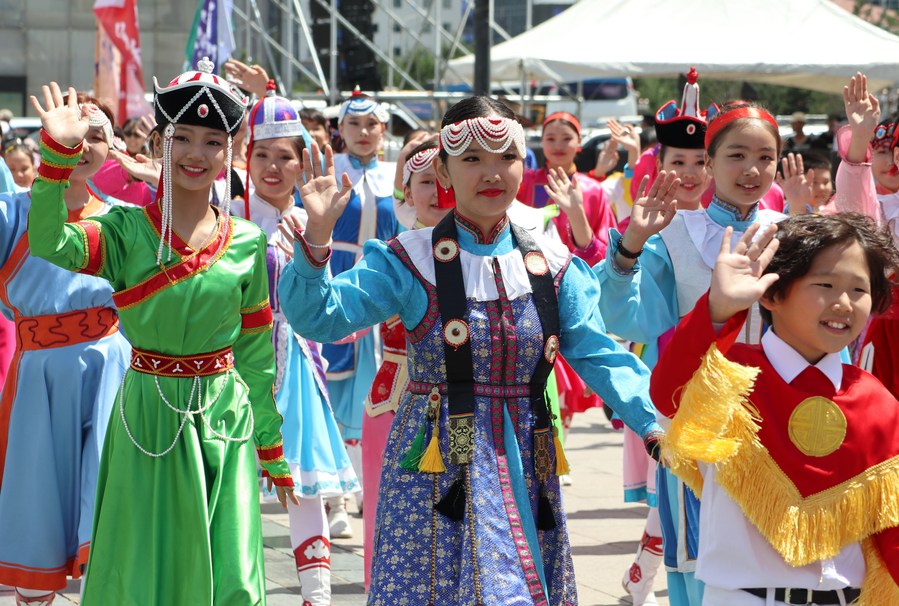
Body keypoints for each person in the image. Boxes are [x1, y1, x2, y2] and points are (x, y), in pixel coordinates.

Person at [276, 95, 664, 605]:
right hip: (435, 467)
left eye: (505, 157)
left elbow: (596, 352)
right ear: (443, 168)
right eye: (472, 158)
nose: (491, 173)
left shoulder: (549, 261)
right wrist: (318, 241)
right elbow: (321, 317)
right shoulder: (408, 259)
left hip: (526, 457)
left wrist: (654, 421)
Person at [27, 61, 297, 605]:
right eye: (184, 139)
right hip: (146, 411)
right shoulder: (125, 229)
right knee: (139, 562)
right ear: (159, 144)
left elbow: (254, 354)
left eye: (213, 142)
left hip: (225, 413)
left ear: (229, 154)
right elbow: (50, 242)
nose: (197, 154)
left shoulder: (246, 241)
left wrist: (269, 440)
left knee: (234, 570)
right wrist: (57, 159)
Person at [595, 98, 786, 606]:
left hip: (779, 412)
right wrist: (633, 241)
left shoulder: (792, 234)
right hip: (699, 413)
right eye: (736, 155)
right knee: (702, 560)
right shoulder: (675, 234)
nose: (751, 169)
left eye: (765, 157)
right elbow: (625, 317)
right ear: (710, 159)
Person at [652, 214, 899, 605]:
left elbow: (892, 532)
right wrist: (718, 308)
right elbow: (669, 393)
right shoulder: (727, 379)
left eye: (859, 289)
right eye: (825, 284)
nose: (844, 303)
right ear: (771, 294)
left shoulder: (877, 401)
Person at [0, 93, 131, 606]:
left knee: (110, 494)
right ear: (47, 141)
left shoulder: (125, 218)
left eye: (95, 135)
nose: (83, 144)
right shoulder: (14, 211)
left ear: (113, 147)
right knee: (37, 497)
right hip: (38, 373)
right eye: (70, 134)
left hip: (112, 367)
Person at [237, 87, 359, 606]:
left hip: (296, 356)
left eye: (284, 156)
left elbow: (323, 294)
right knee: (232, 486)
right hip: (234, 362)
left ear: (302, 160)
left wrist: (319, 230)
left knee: (304, 485)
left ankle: (318, 595)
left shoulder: (311, 219)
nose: (272, 166)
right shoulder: (226, 216)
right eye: (261, 154)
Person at [615, 68, 717, 606]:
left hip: (753, 388)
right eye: (679, 161)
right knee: (681, 502)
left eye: (702, 160)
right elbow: (625, 311)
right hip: (679, 376)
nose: (692, 172)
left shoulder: (765, 221)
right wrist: (632, 241)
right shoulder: (656, 226)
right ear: (660, 165)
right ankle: (654, 580)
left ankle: (640, 577)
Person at [306, 87, 398, 539]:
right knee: (333, 384)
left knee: (375, 386)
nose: (363, 133)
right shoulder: (332, 171)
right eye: (354, 125)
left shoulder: (396, 176)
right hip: (337, 274)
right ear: (340, 131)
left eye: (371, 125)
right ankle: (334, 495)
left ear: (384, 131)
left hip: (381, 282)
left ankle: (364, 484)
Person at [360, 138, 449, 589]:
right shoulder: (390, 256)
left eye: (444, 180)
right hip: (391, 402)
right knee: (386, 521)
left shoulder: (488, 253)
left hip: (462, 412)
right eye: (425, 182)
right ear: (407, 191)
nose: (436, 192)